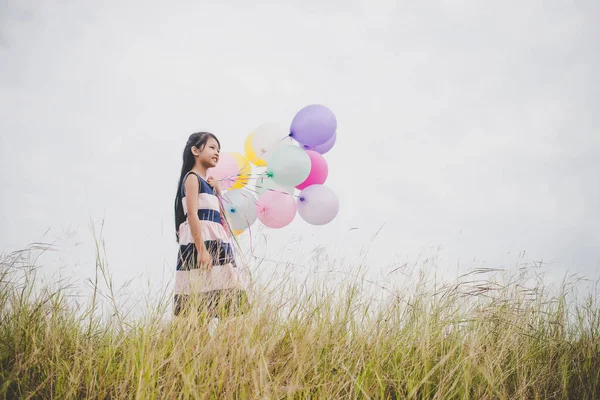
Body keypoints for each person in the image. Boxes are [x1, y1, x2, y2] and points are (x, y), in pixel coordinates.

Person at [173, 132, 250, 323]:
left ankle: (222, 347)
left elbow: (219, 217)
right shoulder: (192, 178)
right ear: (195, 150)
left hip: (217, 242)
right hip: (202, 244)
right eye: (212, 147)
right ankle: (199, 344)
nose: (217, 153)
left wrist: (218, 190)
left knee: (226, 296)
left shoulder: (208, 184)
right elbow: (192, 215)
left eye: (219, 149)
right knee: (199, 299)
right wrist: (201, 250)